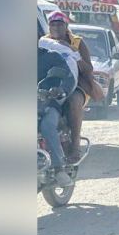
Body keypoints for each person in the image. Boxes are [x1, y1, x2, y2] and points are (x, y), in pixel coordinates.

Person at [40, 10, 101, 162]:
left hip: (75, 84)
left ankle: (75, 146)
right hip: (48, 83)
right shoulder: (43, 42)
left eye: (60, 24)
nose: (56, 28)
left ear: (66, 26)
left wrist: (73, 54)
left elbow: (88, 68)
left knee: (73, 102)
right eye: (53, 24)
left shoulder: (77, 42)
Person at [37, 47, 76, 187]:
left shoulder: (51, 56)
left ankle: (59, 168)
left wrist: (61, 89)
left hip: (47, 102)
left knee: (47, 125)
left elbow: (68, 76)